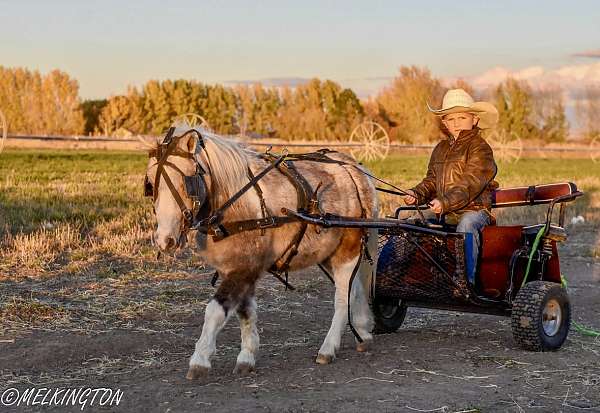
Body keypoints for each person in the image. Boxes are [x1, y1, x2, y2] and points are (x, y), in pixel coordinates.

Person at [404, 88, 499, 284]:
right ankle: (395, 274)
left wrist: (444, 202)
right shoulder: (440, 149)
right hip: (444, 209)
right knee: (410, 224)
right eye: (451, 119)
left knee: (467, 225)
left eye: (462, 118)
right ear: (444, 123)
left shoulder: (480, 148)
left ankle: (465, 280)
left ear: (474, 120)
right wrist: (416, 193)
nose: (456, 123)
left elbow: (470, 183)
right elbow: (431, 180)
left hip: (474, 209)